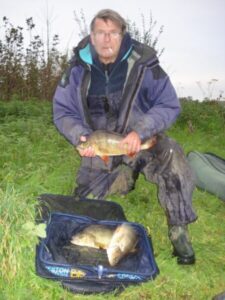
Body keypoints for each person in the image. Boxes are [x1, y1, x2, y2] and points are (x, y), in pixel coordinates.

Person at [53, 9, 197, 264]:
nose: (107, 39)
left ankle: (179, 229)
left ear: (123, 36)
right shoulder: (77, 70)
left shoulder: (145, 65)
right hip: (101, 147)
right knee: (87, 208)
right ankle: (124, 177)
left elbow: (168, 104)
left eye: (113, 33)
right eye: (101, 33)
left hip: (140, 142)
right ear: (92, 36)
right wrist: (82, 137)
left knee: (171, 153)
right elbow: (63, 111)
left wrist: (140, 130)